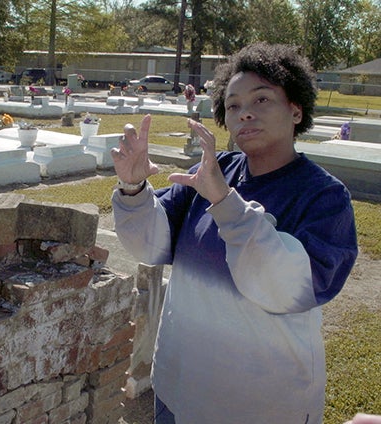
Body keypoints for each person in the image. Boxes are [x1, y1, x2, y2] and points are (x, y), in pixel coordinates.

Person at [110, 42, 358, 423]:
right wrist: (133, 190)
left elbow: (285, 288)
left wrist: (225, 202)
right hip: (180, 387)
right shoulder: (215, 169)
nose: (245, 114)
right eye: (234, 105)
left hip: (260, 403)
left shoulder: (323, 196)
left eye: (261, 100)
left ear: (296, 110)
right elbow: (150, 243)